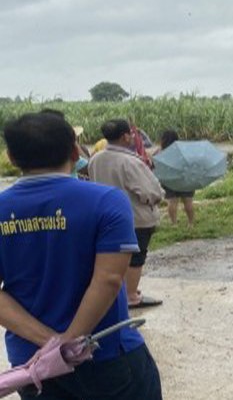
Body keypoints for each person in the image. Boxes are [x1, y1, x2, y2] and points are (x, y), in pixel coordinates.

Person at [0, 113, 162, 399]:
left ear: (11, 157)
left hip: (36, 366)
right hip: (106, 355)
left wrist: (49, 345)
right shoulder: (107, 201)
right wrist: (69, 343)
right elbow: (110, 280)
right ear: (76, 152)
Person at [89, 119, 165, 309]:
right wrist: (157, 198)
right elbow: (151, 192)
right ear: (125, 136)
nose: (133, 137)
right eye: (131, 134)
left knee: (114, 257)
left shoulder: (96, 159)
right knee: (136, 257)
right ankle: (131, 295)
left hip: (106, 217)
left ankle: (121, 292)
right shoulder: (131, 161)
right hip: (135, 217)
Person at [156, 129, 195, 226]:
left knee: (172, 202)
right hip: (185, 179)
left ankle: (174, 224)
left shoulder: (161, 151)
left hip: (169, 181)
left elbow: (154, 164)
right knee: (188, 202)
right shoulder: (182, 149)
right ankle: (191, 223)